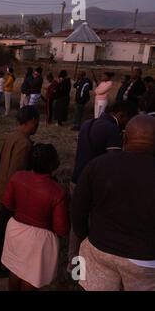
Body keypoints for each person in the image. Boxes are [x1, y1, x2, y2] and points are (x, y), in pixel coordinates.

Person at [72, 115, 155, 291]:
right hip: (145, 261)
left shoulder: (98, 165)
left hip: (98, 249)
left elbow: (78, 207)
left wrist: (84, 235)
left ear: (124, 138)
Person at [68, 101, 137, 268]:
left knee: (77, 226)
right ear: (121, 115)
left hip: (76, 180)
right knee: (90, 228)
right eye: (128, 120)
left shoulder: (88, 122)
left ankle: (73, 266)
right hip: (94, 185)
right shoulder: (112, 130)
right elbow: (113, 162)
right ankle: (86, 270)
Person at [2, 143, 69, 291]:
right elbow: (61, 229)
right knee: (32, 276)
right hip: (40, 239)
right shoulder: (58, 191)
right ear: (54, 164)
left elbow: (8, 203)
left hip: (16, 230)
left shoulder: (17, 177)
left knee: (15, 269)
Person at [0, 106, 40, 278]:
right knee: (3, 230)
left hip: (2, 187)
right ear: (32, 121)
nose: (37, 125)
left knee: (0, 228)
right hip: (11, 193)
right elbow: (18, 173)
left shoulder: (11, 135)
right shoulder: (25, 143)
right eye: (37, 122)